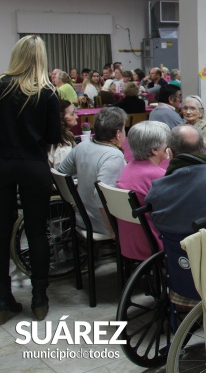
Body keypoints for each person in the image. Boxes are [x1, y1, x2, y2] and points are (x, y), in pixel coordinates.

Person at [0, 35, 61, 323]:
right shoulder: (47, 93)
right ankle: (39, 297)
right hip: (34, 166)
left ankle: (3, 299)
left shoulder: (0, 86)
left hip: (3, 163)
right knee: (36, 231)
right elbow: (52, 136)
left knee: (2, 230)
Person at [59, 107, 127, 237]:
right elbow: (101, 194)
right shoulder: (114, 155)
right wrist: (112, 231)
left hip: (82, 217)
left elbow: (61, 173)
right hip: (102, 224)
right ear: (118, 134)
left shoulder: (82, 146)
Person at [116, 121, 170, 260]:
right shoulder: (157, 176)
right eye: (166, 143)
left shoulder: (127, 168)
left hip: (128, 241)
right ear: (155, 150)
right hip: (150, 242)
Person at [48, 100, 77, 169]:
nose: (76, 116)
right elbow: (62, 174)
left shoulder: (66, 136)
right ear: (61, 119)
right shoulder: (62, 147)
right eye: (72, 114)